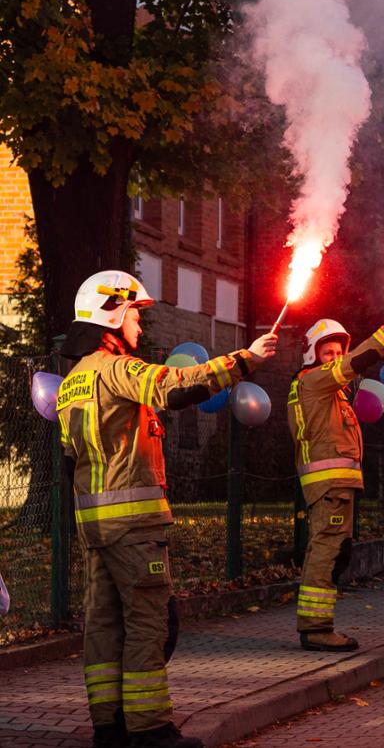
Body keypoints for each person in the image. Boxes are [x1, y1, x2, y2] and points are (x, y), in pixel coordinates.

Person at [58, 270, 276, 748]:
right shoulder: (117, 368)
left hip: (95, 528)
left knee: (104, 624)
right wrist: (247, 359)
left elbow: (70, 459)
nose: (140, 322)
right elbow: (176, 386)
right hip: (134, 526)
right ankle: (150, 729)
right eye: (135, 311)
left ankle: (109, 728)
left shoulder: (72, 382)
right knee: (149, 621)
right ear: (112, 312)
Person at [286, 308, 384, 651]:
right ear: (312, 355)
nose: (336, 358)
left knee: (334, 551)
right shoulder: (314, 381)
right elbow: (362, 357)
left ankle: (318, 625)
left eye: (338, 353)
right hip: (329, 488)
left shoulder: (330, 392)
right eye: (328, 353)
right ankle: (316, 629)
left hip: (335, 488)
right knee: (327, 551)